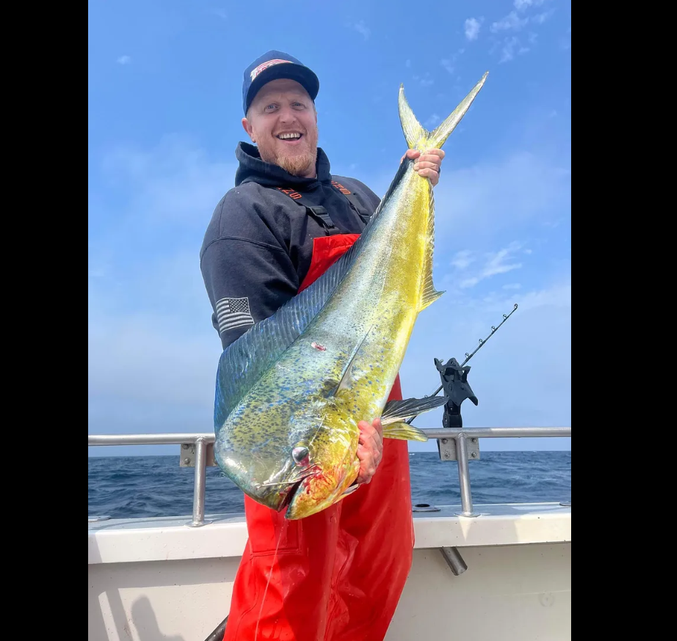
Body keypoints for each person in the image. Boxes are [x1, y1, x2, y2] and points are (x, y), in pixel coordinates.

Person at [198, 50, 446, 641]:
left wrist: (418, 182)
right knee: (291, 598)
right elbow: (258, 372)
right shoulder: (242, 215)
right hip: (297, 439)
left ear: (314, 115)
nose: (288, 115)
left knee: (378, 573)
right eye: (270, 106)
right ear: (250, 128)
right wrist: (327, 441)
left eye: (299, 104)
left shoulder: (357, 194)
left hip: (371, 412)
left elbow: (401, 269)